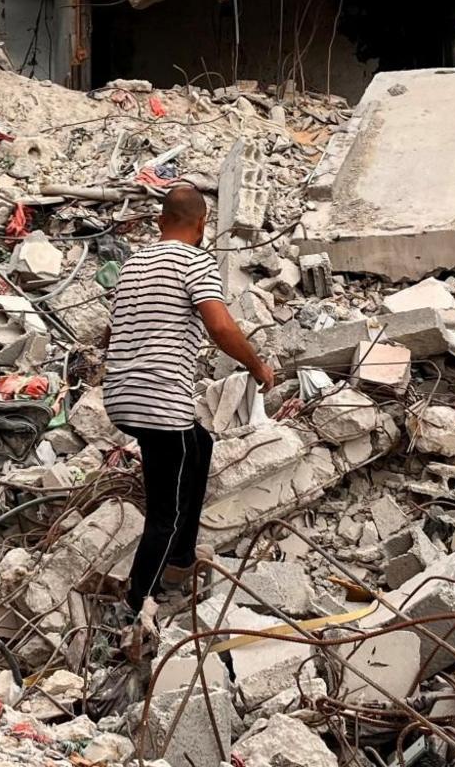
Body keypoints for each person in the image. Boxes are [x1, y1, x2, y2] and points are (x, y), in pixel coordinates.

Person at [102, 184, 273, 620]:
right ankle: (138, 605)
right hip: (160, 402)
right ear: (201, 226)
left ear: (161, 222)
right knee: (168, 510)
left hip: (122, 396)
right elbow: (219, 326)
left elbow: (111, 333)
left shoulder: (134, 264)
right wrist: (257, 366)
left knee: (200, 444)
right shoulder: (197, 261)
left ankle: (179, 563)